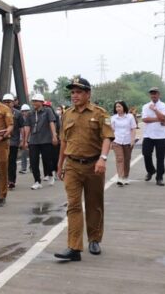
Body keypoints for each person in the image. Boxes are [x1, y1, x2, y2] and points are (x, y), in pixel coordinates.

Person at [54, 77, 114, 262]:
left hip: (93, 166)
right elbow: (64, 141)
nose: (75, 96)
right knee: (73, 205)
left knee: (94, 204)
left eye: (79, 92)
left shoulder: (100, 113)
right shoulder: (67, 114)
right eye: (72, 92)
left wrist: (103, 159)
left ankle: (94, 239)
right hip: (72, 165)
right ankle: (74, 247)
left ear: (88, 94)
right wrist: (60, 163)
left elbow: (107, 137)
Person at [25, 93, 58, 189]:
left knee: (47, 160)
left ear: (41, 102)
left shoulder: (47, 111)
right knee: (33, 161)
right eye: (33, 101)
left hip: (46, 140)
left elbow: (51, 123)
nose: (34, 103)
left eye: (36, 101)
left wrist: (54, 136)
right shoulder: (30, 114)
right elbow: (27, 127)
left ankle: (50, 175)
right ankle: (37, 181)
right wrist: (26, 140)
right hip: (34, 141)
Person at [141, 87, 165, 186]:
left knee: (160, 158)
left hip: (161, 136)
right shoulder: (145, 106)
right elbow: (145, 119)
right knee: (146, 154)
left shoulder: (164, 106)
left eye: (155, 93)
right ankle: (151, 170)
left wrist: (155, 110)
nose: (153, 95)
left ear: (159, 94)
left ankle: (159, 178)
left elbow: (164, 118)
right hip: (148, 135)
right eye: (152, 94)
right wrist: (159, 119)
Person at [110, 100, 137, 186]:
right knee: (120, 159)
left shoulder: (130, 117)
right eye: (116, 107)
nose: (117, 108)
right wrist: (110, 142)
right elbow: (111, 130)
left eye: (119, 106)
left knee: (127, 160)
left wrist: (132, 140)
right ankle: (120, 177)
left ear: (124, 107)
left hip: (127, 141)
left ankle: (126, 177)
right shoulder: (113, 118)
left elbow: (133, 129)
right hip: (116, 141)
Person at [2, 93, 23, 189]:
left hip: (14, 141)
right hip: (2, 141)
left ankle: (11, 181)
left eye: (9, 102)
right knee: (3, 161)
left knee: (11, 162)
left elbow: (22, 128)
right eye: (5, 102)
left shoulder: (18, 114)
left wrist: (22, 140)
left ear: (13, 103)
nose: (7, 104)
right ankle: (4, 180)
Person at [18, 104, 31, 174]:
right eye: (23, 111)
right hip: (23, 138)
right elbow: (20, 130)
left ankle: (32, 166)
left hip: (31, 139)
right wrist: (22, 140)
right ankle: (23, 168)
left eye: (26, 111)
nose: (24, 113)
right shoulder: (20, 119)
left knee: (32, 154)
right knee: (23, 153)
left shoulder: (32, 118)